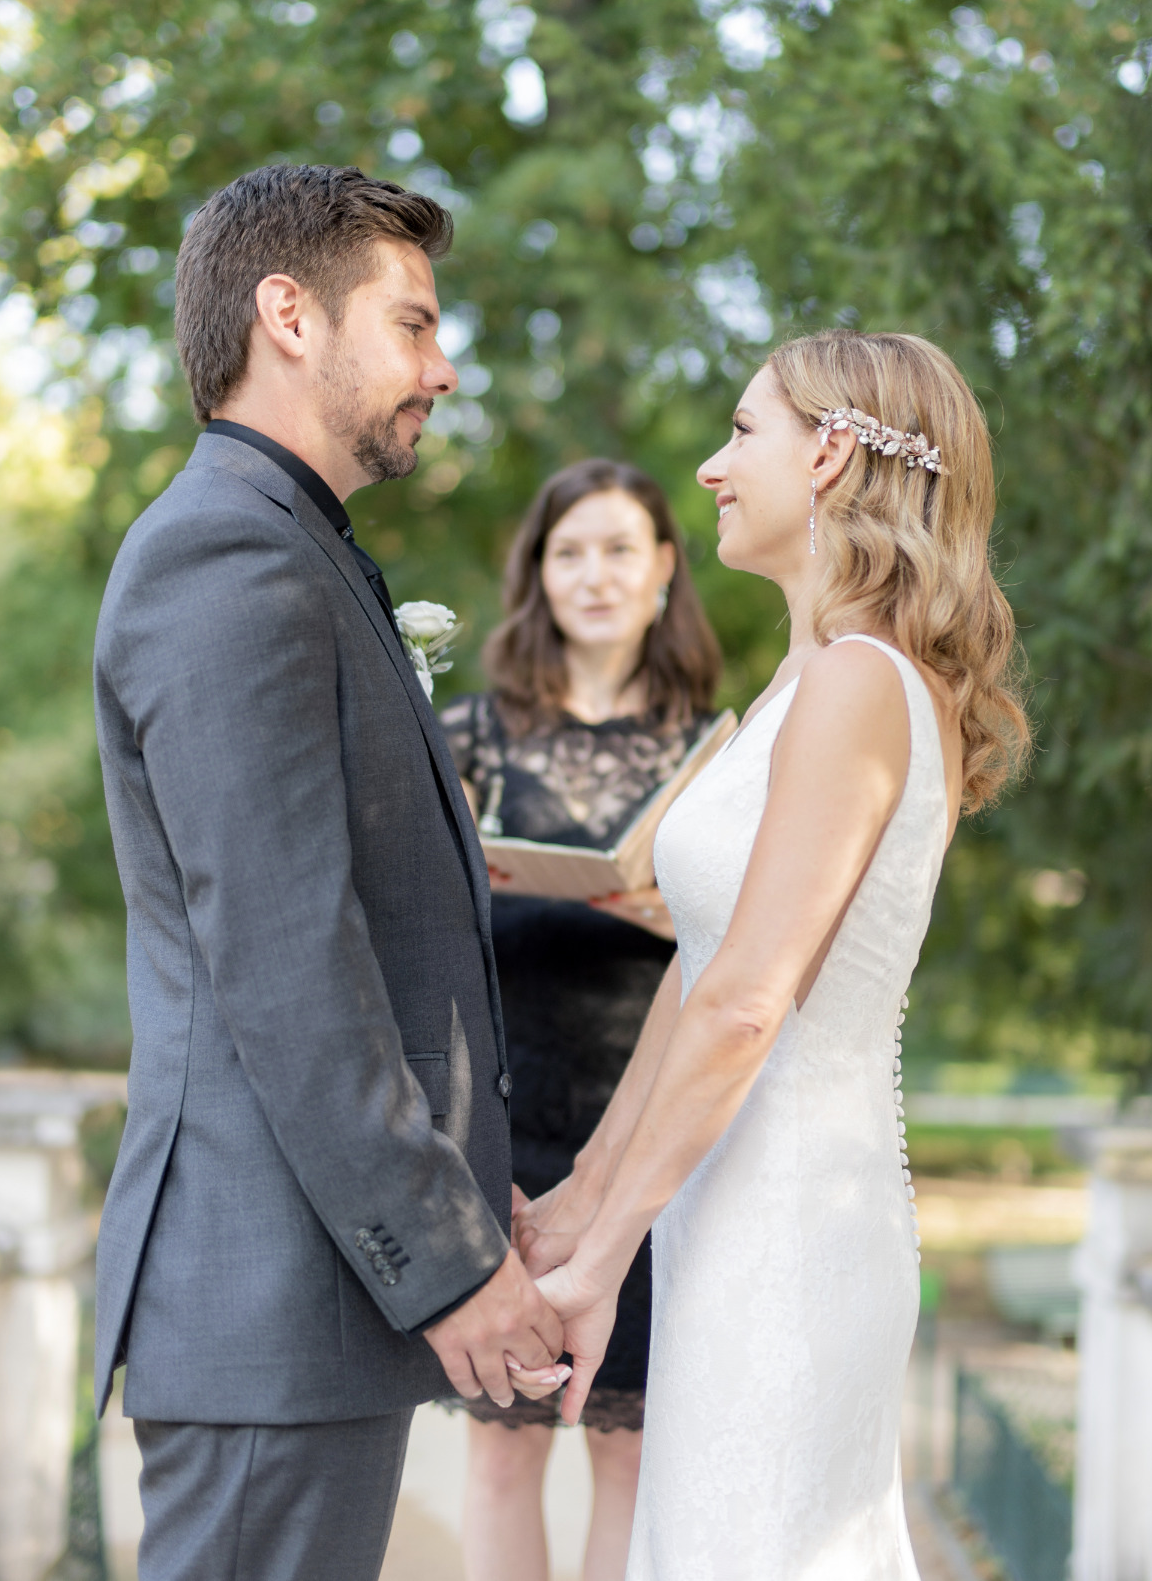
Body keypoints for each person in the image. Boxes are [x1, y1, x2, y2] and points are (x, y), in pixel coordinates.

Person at [91, 164, 568, 1581]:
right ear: (287, 315)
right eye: (414, 324)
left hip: (304, 1315)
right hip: (269, 1308)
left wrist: (480, 1195)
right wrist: (451, 1257)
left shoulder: (293, 544)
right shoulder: (228, 556)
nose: (444, 363)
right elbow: (290, 962)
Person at [517, 331, 1030, 1579]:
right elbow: (703, 966)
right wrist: (584, 1192)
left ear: (835, 453)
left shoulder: (863, 683)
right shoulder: (803, 684)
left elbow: (750, 1003)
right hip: (730, 1205)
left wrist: (602, 1264)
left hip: (795, 1222)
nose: (708, 468)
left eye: (743, 432)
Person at [439, 459, 722, 1581]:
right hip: (507, 1128)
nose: (594, 575)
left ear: (663, 569)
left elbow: (753, 949)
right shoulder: (468, 736)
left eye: (618, 548)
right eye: (570, 552)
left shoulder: (716, 751)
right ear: (537, 576)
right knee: (501, 1458)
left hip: (651, 1140)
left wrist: (672, 908)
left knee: (632, 1450)